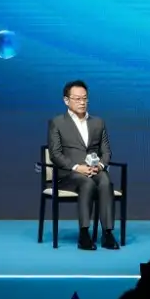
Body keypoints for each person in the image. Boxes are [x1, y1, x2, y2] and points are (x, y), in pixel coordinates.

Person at [47, 80, 118, 251]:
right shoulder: (57, 122)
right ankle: (84, 233)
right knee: (86, 182)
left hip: (94, 170)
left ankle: (107, 233)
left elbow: (106, 151)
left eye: (85, 98)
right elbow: (55, 154)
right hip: (68, 174)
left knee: (105, 181)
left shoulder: (98, 122)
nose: (82, 102)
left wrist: (100, 166)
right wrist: (77, 168)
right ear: (66, 100)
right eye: (77, 99)